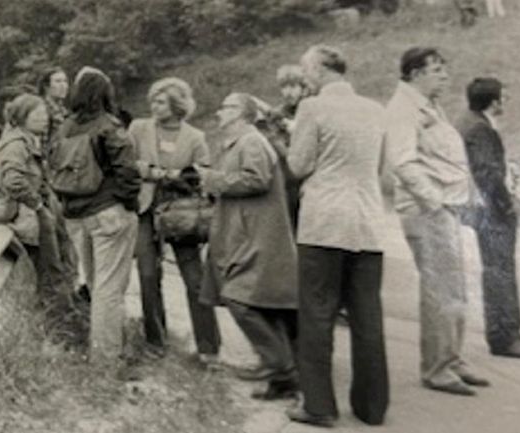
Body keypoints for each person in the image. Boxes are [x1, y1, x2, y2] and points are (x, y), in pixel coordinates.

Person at [283, 45, 389, 428]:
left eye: (306, 69)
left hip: (325, 222)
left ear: (319, 69)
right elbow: (380, 168)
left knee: (317, 313)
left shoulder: (311, 109)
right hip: (368, 224)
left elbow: (297, 166)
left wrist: (288, 140)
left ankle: (319, 405)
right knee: (367, 317)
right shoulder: (376, 110)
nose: (303, 77)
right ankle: (372, 406)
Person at [385, 47, 489, 397]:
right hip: (427, 210)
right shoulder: (403, 108)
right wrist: (433, 203)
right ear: (415, 73)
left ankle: (452, 358)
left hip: (445, 207)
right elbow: (403, 162)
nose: (445, 76)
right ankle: (437, 368)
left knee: (453, 286)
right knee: (439, 288)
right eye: (437, 70)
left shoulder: (428, 104)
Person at [190, 92, 299, 400]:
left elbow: (256, 179)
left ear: (243, 115)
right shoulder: (237, 143)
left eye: (228, 107)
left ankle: (280, 365)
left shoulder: (252, 141)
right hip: (247, 234)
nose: (220, 111)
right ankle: (281, 374)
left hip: (259, 236)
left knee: (239, 298)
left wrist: (213, 179)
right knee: (260, 303)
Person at [128, 77, 221, 365]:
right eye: (153, 100)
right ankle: (156, 342)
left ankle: (208, 349)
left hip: (181, 214)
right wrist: (161, 173)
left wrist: (187, 175)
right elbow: (128, 164)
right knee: (147, 275)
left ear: (177, 105)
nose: (154, 106)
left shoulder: (195, 137)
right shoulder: (138, 128)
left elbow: (203, 171)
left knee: (194, 280)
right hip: (145, 210)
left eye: (161, 101)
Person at [56, 66, 141, 367]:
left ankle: (102, 352)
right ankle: (106, 360)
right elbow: (129, 172)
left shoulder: (65, 127)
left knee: (94, 284)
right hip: (108, 213)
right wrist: (128, 203)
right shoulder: (109, 126)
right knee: (109, 289)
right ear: (105, 93)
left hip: (75, 215)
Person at [456, 77, 520, 360]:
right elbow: (488, 174)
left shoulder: (469, 121)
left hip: (482, 211)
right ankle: (506, 337)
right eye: (504, 96)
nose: (506, 101)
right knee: (501, 273)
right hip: (492, 214)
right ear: (494, 101)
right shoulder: (481, 129)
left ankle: (504, 335)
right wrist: (506, 206)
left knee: (496, 272)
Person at [0, 93, 74, 297]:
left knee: (55, 268)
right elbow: (13, 181)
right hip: (27, 217)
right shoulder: (16, 144)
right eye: (37, 115)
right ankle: (54, 318)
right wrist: (38, 205)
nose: (43, 118)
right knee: (49, 272)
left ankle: (58, 314)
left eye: (44, 113)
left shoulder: (31, 141)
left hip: (37, 215)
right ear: (21, 117)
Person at [256, 64, 311, 235]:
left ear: (303, 88)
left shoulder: (311, 110)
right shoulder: (276, 114)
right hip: (288, 181)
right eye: (284, 87)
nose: (288, 92)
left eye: (293, 86)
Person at [37, 66, 70, 154]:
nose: (63, 85)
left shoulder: (63, 110)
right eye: (58, 81)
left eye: (65, 81)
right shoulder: (40, 109)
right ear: (46, 86)